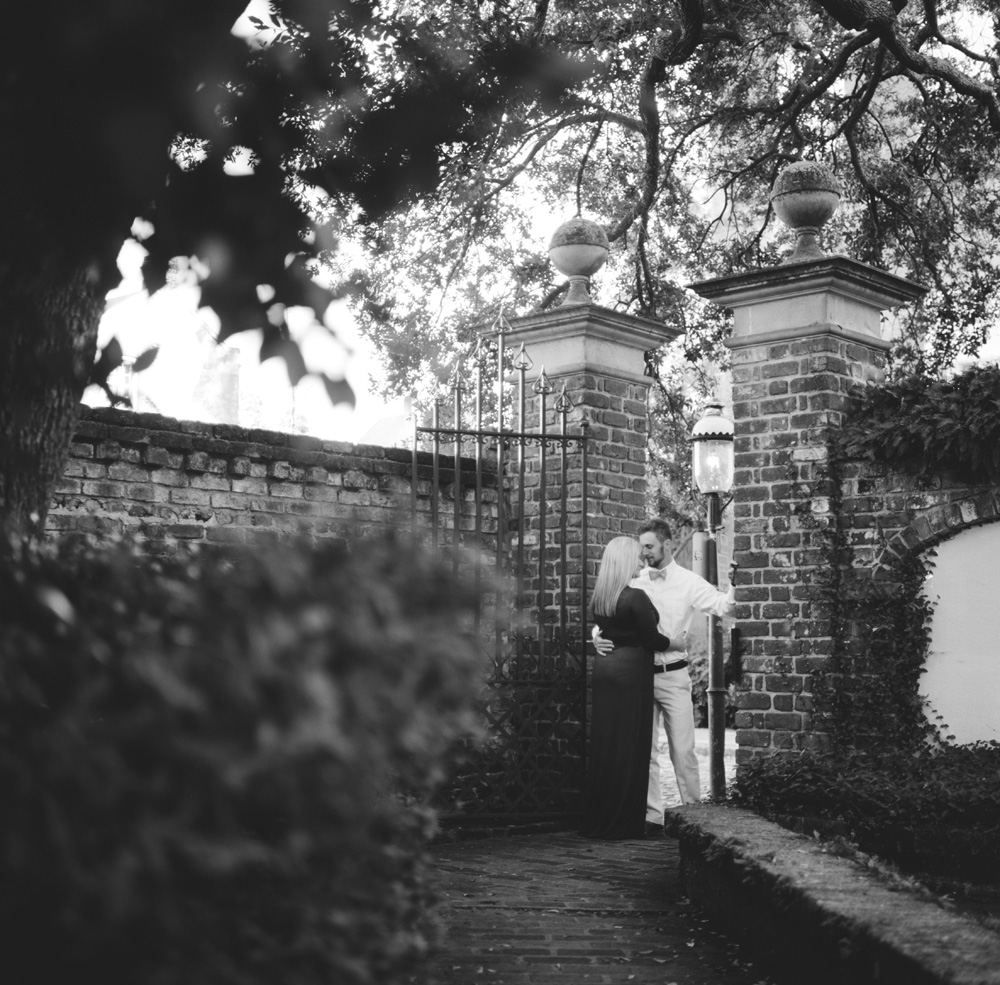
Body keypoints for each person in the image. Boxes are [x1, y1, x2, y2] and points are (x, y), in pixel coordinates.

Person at [594, 518, 734, 830]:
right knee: (646, 752)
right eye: (640, 546)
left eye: (649, 546)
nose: (642, 554)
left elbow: (724, 606)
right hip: (639, 678)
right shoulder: (634, 580)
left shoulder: (689, 582)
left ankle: (695, 818)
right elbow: (611, 612)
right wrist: (595, 634)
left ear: (667, 544)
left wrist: (735, 583)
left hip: (673, 676)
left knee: (683, 751)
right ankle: (651, 818)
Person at [581, 536, 673, 840]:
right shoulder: (635, 597)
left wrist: (596, 638)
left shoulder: (601, 597)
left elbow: (604, 629)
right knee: (631, 746)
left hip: (606, 670)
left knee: (607, 745)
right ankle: (624, 822)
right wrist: (677, 643)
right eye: (636, 557)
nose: (641, 561)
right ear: (624, 562)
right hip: (631, 674)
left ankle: (601, 818)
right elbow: (652, 640)